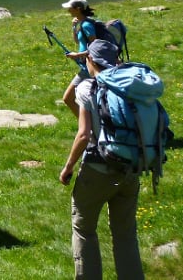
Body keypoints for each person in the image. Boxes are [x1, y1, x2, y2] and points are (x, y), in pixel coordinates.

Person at [59, 40, 144, 280]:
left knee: (84, 230)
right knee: (126, 234)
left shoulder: (87, 88)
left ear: (91, 61)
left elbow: (84, 134)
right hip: (131, 168)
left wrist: (68, 167)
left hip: (98, 168)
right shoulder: (131, 86)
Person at [62, 0, 99, 117]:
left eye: (70, 8)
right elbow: (78, 42)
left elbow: (95, 48)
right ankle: (89, 124)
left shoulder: (87, 25)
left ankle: (87, 125)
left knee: (68, 98)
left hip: (90, 67)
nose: (68, 11)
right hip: (86, 66)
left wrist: (77, 55)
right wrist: (73, 28)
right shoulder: (82, 23)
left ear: (78, 9)